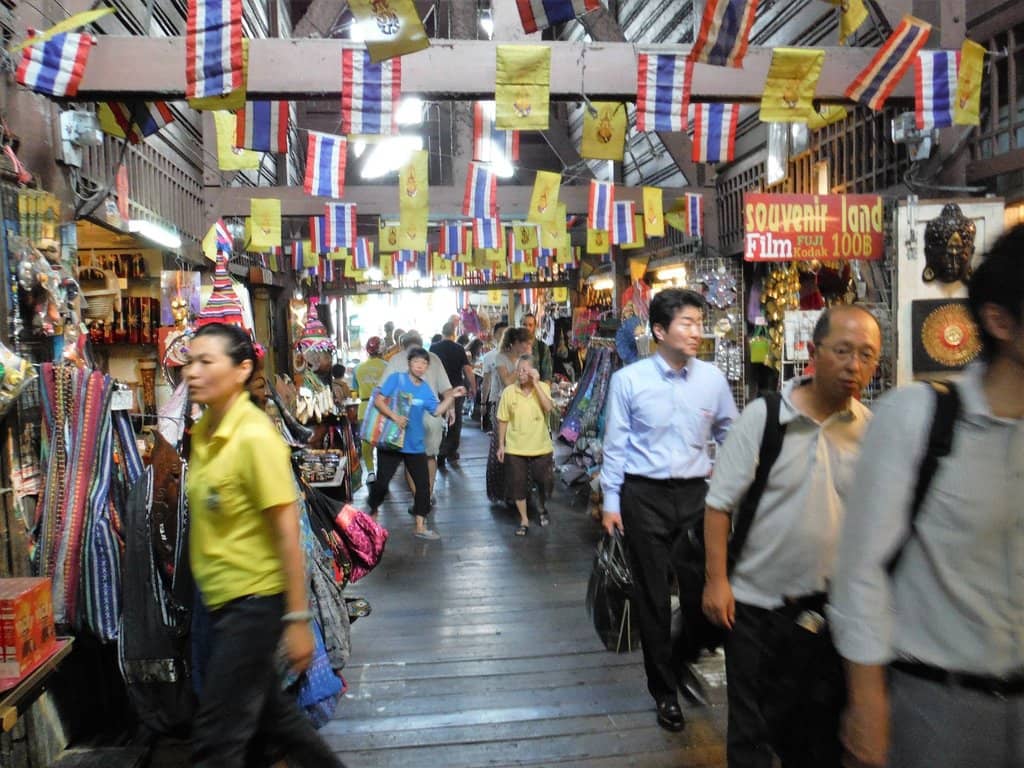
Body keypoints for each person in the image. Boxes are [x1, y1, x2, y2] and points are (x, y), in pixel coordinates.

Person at [829, 225, 1024, 768]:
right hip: (938, 708)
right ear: (1000, 321)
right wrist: (867, 701)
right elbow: (860, 571)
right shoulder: (917, 419)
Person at [702, 305, 882, 767]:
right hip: (756, 608)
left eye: (866, 355)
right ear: (813, 352)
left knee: (816, 734)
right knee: (752, 735)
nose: (854, 365)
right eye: (842, 351)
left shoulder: (870, 430)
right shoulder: (764, 419)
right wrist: (717, 581)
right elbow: (719, 505)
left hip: (828, 612)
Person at [183, 323, 345, 768]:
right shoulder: (205, 432)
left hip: (252, 603)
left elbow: (288, 532)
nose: (193, 371)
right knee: (275, 725)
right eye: (191, 361)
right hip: (219, 603)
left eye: (206, 361)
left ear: (241, 370)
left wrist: (298, 619)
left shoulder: (254, 437)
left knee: (218, 739)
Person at [600, 288, 738, 733]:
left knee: (704, 593)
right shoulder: (629, 380)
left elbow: (731, 433)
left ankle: (680, 656)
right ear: (659, 331)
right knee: (653, 599)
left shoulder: (712, 380)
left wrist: (727, 478)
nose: (697, 332)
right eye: (687, 323)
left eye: (700, 323)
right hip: (643, 497)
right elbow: (616, 444)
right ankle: (664, 692)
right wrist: (611, 501)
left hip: (697, 497)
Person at [367, 347, 466, 540]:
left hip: (415, 444)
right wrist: (395, 417)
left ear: (427, 366)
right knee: (382, 483)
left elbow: (436, 411)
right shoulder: (396, 379)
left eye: (424, 363)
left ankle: (420, 526)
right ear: (409, 364)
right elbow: (378, 401)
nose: (420, 366)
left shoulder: (425, 389)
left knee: (423, 486)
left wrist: (451, 396)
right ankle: (373, 512)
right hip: (392, 442)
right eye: (416, 362)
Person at [382, 331, 452, 503]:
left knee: (411, 459)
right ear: (421, 344)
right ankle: (428, 495)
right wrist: (451, 409)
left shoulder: (396, 359)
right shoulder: (433, 358)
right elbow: (447, 389)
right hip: (432, 415)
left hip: (407, 417)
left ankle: (419, 499)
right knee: (430, 457)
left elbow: (383, 389)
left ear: (403, 345)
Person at [496, 354, 555, 536]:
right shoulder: (509, 392)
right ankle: (524, 519)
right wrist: (501, 445)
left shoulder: (543, 387)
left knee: (545, 481)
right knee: (517, 484)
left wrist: (536, 384)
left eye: (524, 370)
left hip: (541, 446)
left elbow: (548, 408)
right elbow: (503, 420)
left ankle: (542, 507)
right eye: (518, 370)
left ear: (533, 371)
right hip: (515, 447)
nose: (520, 374)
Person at [486, 327, 534, 502]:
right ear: (514, 343)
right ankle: (504, 491)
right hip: (505, 406)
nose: (527, 347)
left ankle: (522, 491)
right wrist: (521, 365)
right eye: (524, 344)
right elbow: (506, 381)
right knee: (504, 447)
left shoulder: (528, 359)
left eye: (529, 344)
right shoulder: (501, 358)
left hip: (524, 406)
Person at [433, 320, 477, 468]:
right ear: (454, 334)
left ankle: (439, 450)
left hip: (439, 389)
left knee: (439, 420)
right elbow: (468, 370)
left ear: (442, 333)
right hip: (456, 390)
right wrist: (473, 387)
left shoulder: (434, 348)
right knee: (455, 421)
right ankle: (451, 452)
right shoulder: (459, 348)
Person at [355, 336, 387, 482]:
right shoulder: (387, 366)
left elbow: (355, 389)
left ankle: (370, 472)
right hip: (384, 408)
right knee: (383, 443)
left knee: (366, 444)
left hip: (364, 408)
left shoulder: (358, 368)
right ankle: (383, 473)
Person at [480, 321, 508, 432]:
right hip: (496, 401)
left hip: (514, 400)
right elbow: (486, 381)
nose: (504, 337)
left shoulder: (516, 354)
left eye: (506, 333)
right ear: (495, 335)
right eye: (501, 333)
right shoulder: (489, 357)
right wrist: (483, 403)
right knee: (498, 433)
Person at [523, 312, 553, 383]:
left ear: (535, 326)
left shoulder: (542, 347)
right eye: (524, 325)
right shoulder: (516, 347)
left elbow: (547, 375)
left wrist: (545, 388)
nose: (527, 328)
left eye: (530, 325)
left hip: (537, 387)